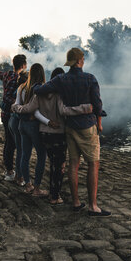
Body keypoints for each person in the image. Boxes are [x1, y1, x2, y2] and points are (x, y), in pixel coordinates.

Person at [34, 48, 111, 216]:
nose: (83, 61)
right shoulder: (90, 79)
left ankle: (76, 202)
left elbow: (39, 90)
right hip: (87, 127)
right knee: (93, 164)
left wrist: (34, 83)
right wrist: (99, 122)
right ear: (78, 61)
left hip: (70, 127)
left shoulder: (61, 79)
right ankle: (93, 206)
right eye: (82, 59)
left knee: (73, 164)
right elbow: (98, 105)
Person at [12, 67, 93, 205]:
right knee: (59, 165)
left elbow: (29, 109)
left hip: (44, 133)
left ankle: (43, 189)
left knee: (51, 163)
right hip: (58, 134)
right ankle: (55, 196)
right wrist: (85, 108)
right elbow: (63, 111)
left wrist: (15, 107)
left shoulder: (40, 92)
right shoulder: (60, 94)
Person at [0, 54, 27, 181]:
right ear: (23, 65)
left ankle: (9, 169)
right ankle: (10, 172)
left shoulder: (7, 75)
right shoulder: (16, 78)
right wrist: (15, 105)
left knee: (9, 143)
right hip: (11, 115)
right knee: (12, 143)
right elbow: (8, 97)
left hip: (5, 115)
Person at [15, 63, 48, 197]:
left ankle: (28, 185)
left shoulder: (21, 87)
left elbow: (17, 105)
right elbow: (36, 111)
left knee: (25, 155)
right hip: (34, 126)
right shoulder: (39, 89)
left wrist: (17, 109)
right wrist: (49, 122)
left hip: (22, 124)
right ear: (41, 74)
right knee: (41, 155)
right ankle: (37, 189)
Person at [8, 70, 28, 186]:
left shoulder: (18, 88)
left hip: (12, 120)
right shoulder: (24, 89)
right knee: (21, 150)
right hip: (16, 121)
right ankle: (19, 177)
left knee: (19, 149)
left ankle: (18, 175)